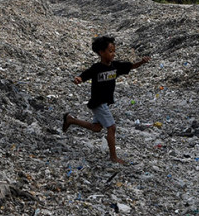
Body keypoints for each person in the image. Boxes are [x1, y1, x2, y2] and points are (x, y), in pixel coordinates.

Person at [62, 35, 150, 164]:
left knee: (96, 128)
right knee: (111, 128)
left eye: (114, 51)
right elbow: (84, 76)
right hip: (98, 103)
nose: (113, 54)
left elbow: (131, 66)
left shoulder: (115, 66)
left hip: (104, 103)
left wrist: (142, 62)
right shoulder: (96, 68)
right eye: (110, 51)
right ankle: (113, 157)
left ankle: (70, 119)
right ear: (101, 53)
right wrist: (78, 79)